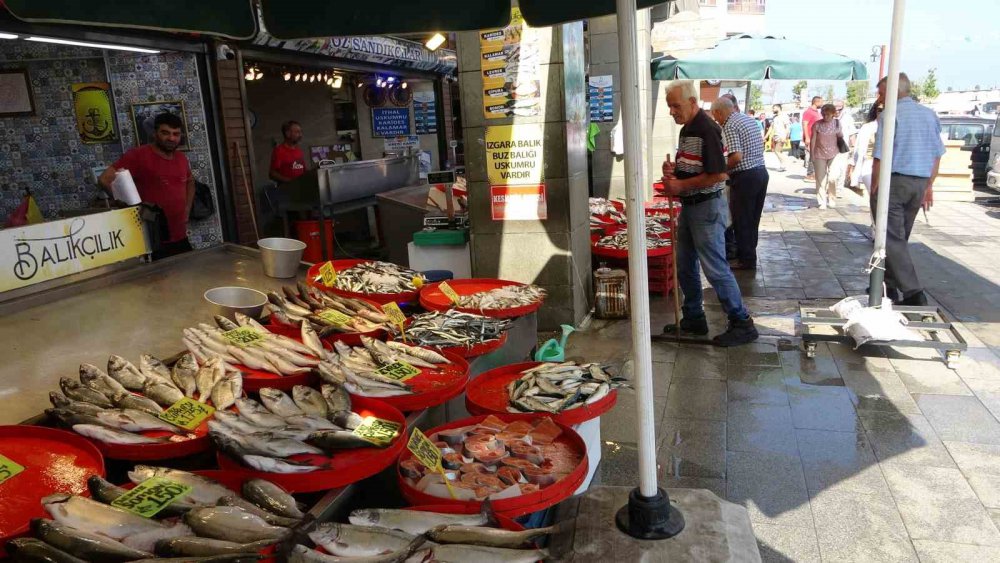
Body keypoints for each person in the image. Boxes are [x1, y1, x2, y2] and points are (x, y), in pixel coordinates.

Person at [660, 81, 759, 346]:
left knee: (714, 267)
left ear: (692, 102)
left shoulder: (707, 128)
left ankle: (742, 322)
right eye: (669, 105)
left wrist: (680, 185)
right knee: (685, 264)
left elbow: (718, 173)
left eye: (675, 105)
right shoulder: (688, 129)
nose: (671, 111)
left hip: (706, 208)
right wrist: (674, 171)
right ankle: (694, 317)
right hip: (691, 207)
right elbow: (694, 167)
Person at [870, 72, 945, 306]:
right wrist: (929, 185)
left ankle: (913, 292)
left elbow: (880, 156)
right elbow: (937, 155)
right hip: (919, 183)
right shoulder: (929, 114)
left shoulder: (889, 115)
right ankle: (886, 286)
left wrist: (874, 187)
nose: (879, 97)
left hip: (895, 182)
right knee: (898, 238)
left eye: (881, 91)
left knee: (890, 237)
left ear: (893, 91)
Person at [99, 112, 194, 260]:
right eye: (165, 133)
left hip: (180, 235)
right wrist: (128, 210)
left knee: (188, 276)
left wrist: (187, 209)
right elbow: (105, 179)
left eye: (176, 134)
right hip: (153, 239)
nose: (171, 138)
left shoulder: (181, 158)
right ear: (155, 133)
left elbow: (190, 181)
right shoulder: (138, 155)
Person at [711, 96, 769, 271]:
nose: (716, 120)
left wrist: (721, 170)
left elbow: (736, 156)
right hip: (761, 173)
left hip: (745, 177)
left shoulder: (729, 125)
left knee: (742, 219)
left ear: (720, 112)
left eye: (716, 116)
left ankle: (746, 259)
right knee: (753, 219)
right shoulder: (747, 120)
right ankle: (750, 254)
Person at [810, 104, 845, 209]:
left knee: (832, 177)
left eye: (828, 114)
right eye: (823, 114)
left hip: (834, 153)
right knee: (820, 178)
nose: (825, 117)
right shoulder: (817, 124)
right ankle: (822, 201)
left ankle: (832, 197)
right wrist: (812, 154)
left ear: (833, 114)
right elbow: (813, 140)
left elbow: (840, 137)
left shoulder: (837, 124)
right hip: (819, 153)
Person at [801, 96, 824, 180]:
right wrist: (807, 137)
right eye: (821, 102)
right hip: (811, 137)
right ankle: (810, 174)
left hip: (817, 137)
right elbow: (804, 124)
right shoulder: (808, 112)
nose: (822, 104)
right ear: (816, 102)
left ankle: (813, 173)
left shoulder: (816, 112)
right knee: (813, 155)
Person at [770, 104, 790, 172]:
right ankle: (782, 166)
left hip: (781, 136)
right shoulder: (775, 117)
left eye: (774, 108)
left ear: (778, 108)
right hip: (775, 136)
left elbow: (787, 127)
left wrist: (785, 137)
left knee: (777, 151)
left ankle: (784, 164)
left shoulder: (784, 116)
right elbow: (771, 128)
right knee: (779, 151)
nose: (772, 109)